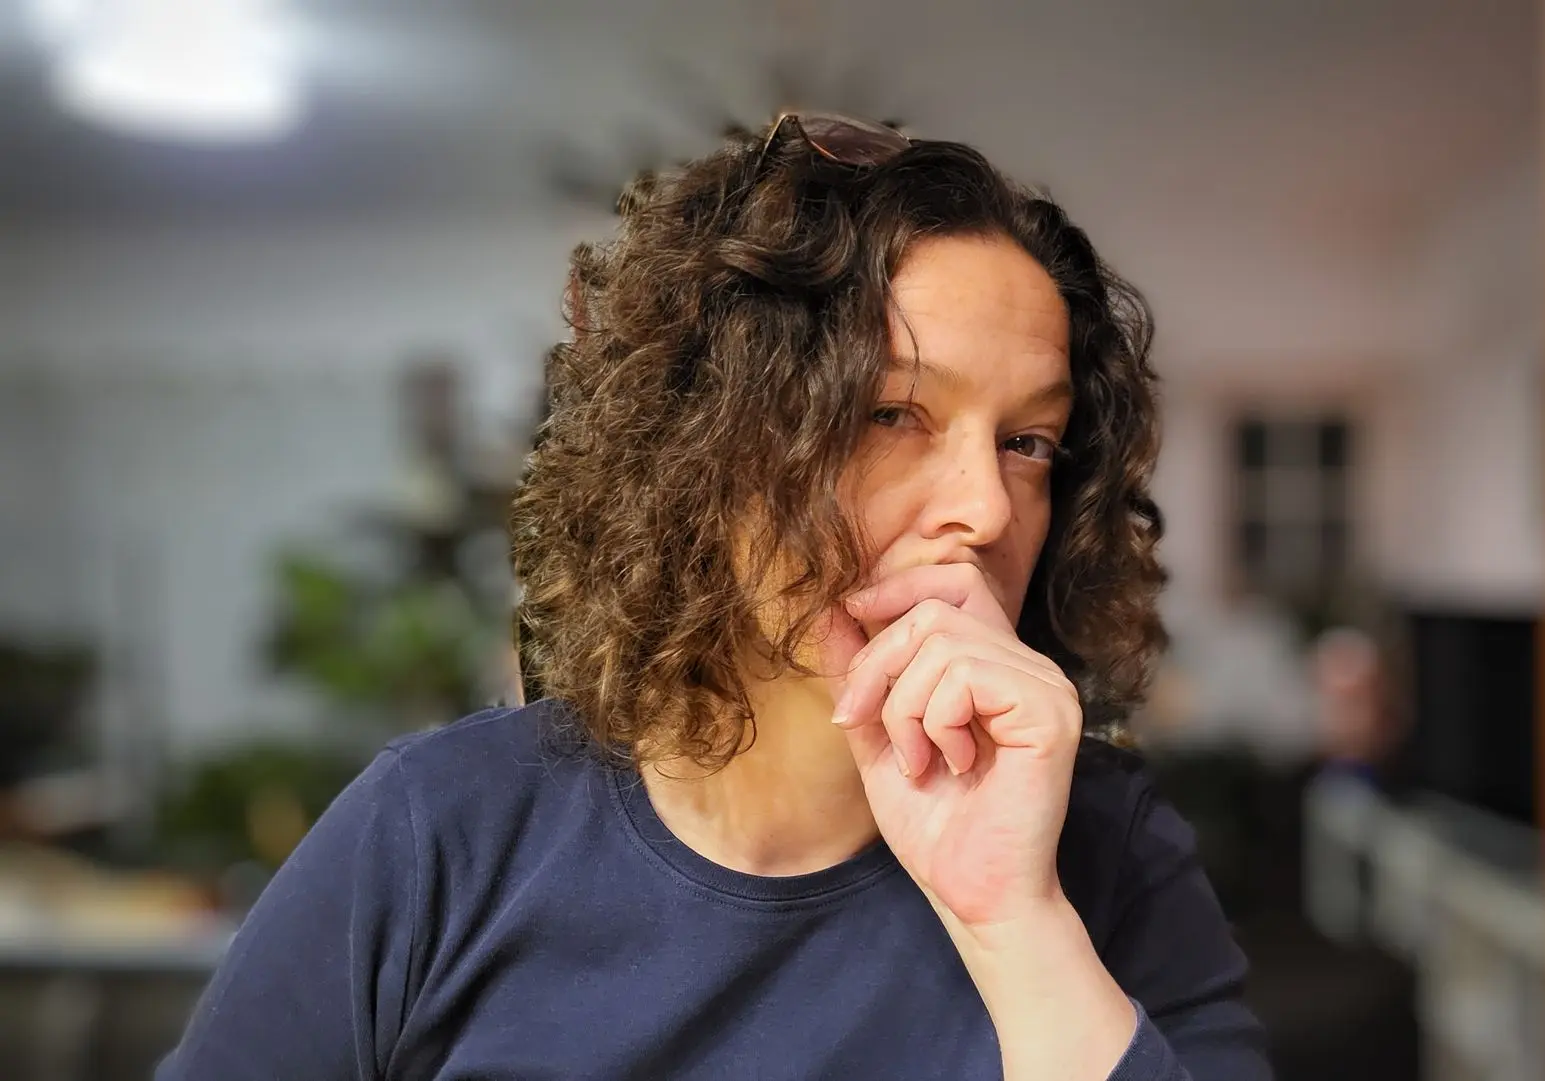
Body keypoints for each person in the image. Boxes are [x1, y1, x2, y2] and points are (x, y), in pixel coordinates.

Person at [160, 113, 1270, 1080]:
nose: (985, 508)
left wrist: (1017, 926)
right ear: (708, 450)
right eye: (891, 414)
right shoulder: (437, 832)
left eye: (1028, 441)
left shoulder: (1105, 851)